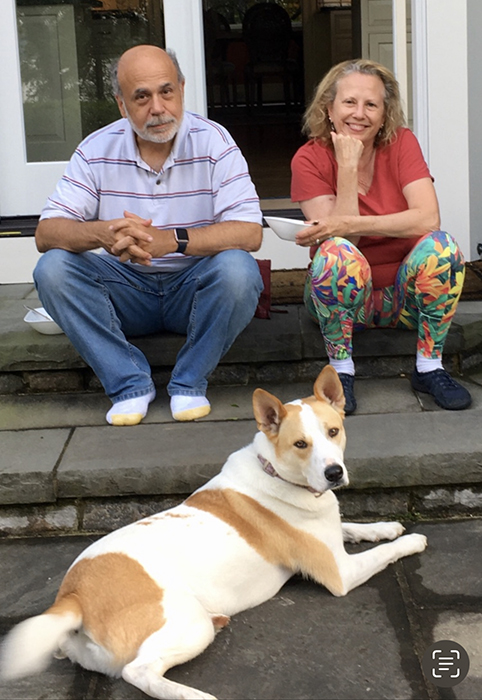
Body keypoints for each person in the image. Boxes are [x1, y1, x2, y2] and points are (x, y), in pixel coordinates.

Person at [33, 45, 263, 426]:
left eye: (166, 91)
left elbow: (250, 232)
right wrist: (103, 233)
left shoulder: (215, 142)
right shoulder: (95, 149)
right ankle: (128, 384)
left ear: (182, 90)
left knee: (238, 269)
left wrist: (172, 241)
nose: (157, 107)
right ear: (122, 105)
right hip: (125, 292)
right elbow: (46, 232)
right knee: (52, 268)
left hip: (194, 291)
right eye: (142, 97)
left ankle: (189, 382)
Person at [290, 58, 471, 414]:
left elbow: (427, 219)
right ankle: (341, 371)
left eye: (371, 104)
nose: (359, 113)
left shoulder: (402, 143)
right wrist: (347, 166)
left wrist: (352, 224)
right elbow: (342, 242)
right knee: (337, 254)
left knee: (443, 248)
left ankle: (429, 367)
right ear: (329, 108)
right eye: (349, 102)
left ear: (385, 114)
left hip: (403, 302)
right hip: (341, 306)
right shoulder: (308, 159)